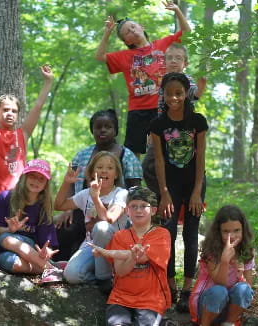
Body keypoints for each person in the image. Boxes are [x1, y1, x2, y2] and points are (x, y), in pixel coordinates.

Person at [95, 1, 191, 158]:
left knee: (168, 148)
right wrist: (107, 32)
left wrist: (177, 11)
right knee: (133, 151)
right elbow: (99, 56)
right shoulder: (124, 56)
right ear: (127, 42)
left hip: (163, 106)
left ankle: (166, 181)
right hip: (138, 109)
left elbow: (186, 33)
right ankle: (134, 182)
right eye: (127, 32)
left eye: (133, 27)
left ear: (141, 27)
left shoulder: (163, 44)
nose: (132, 31)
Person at [149, 72, 207, 309]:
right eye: (169, 93)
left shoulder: (197, 121)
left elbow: (201, 157)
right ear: (162, 94)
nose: (174, 97)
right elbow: (159, 161)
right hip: (169, 185)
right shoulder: (157, 124)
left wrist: (196, 191)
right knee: (168, 233)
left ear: (186, 94)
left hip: (194, 182)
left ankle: (187, 289)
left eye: (179, 93)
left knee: (190, 234)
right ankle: (169, 286)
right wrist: (163, 192)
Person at [54, 109, 142, 261]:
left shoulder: (126, 155)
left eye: (107, 127)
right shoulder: (82, 154)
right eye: (98, 127)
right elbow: (70, 182)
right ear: (92, 130)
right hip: (83, 209)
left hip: (115, 213)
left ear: (115, 130)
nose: (102, 130)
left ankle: (102, 272)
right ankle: (60, 266)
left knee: (101, 230)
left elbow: (136, 189)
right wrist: (67, 209)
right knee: (62, 226)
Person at [89, 186, 171, 326]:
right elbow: (120, 271)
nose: (138, 210)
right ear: (127, 211)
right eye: (133, 206)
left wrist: (108, 253)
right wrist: (132, 257)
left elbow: (144, 257)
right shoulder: (120, 236)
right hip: (121, 297)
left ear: (153, 210)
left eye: (143, 206)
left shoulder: (162, 234)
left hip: (151, 298)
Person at [0, 53, 54, 197]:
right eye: (5, 110)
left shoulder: (22, 134)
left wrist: (48, 82)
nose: (9, 113)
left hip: (17, 199)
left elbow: (38, 107)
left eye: (14, 111)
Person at [54, 151, 128, 293]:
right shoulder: (86, 194)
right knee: (71, 275)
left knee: (101, 227)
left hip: (115, 248)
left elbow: (109, 219)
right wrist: (66, 183)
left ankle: (104, 278)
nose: (104, 170)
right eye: (99, 167)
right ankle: (102, 278)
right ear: (92, 171)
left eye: (110, 168)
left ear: (116, 174)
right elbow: (59, 205)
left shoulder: (121, 193)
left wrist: (96, 198)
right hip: (91, 246)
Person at [0, 159, 62, 283]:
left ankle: (50, 268)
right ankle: (53, 267)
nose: (36, 181)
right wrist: (10, 229)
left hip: (32, 248)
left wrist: (46, 253)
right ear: (24, 177)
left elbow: (47, 245)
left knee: (8, 239)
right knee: (12, 261)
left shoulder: (44, 208)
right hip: (7, 251)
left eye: (41, 179)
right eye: (32, 176)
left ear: (45, 185)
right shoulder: (4, 198)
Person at [188, 205, 255, 326]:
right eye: (226, 231)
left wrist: (242, 277)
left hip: (229, 308)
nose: (232, 236)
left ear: (243, 230)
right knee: (219, 291)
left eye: (236, 230)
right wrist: (224, 261)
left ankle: (228, 323)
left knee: (244, 289)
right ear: (218, 231)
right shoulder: (212, 250)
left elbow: (249, 286)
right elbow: (221, 283)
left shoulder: (246, 250)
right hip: (206, 305)